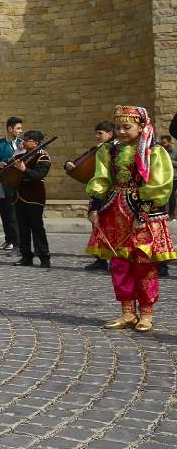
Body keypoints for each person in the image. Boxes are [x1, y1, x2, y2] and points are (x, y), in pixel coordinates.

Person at [90, 106, 174, 332]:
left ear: (141, 126)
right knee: (119, 263)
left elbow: (159, 185)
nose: (121, 132)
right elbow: (101, 178)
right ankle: (127, 312)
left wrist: (143, 214)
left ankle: (146, 313)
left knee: (144, 263)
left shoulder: (154, 152)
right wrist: (94, 208)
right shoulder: (108, 150)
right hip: (115, 211)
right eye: (118, 127)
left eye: (127, 127)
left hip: (144, 213)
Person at [65, 121, 117, 271]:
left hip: (112, 191)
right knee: (97, 224)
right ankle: (100, 259)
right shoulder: (96, 149)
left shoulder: (116, 150)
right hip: (98, 191)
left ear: (110, 134)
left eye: (100, 133)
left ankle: (117, 260)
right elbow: (80, 161)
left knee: (114, 226)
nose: (97, 136)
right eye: (96, 133)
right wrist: (69, 164)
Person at [11, 130, 52, 269]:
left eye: (26, 140)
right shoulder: (21, 156)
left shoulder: (43, 157)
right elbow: (12, 171)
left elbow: (39, 175)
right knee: (22, 227)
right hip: (20, 194)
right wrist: (6, 167)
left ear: (35, 143)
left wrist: (24, 170)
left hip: (34, 195)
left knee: (37, 227)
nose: (23, 142)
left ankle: (44, 257)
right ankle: (26, 256)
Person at [0, 117, 24, 251]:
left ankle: (17, 241)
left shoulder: (23, 143)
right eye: (18, 128)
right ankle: (9, 239)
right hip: (6, 183)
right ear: (10, 129)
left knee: (16, 215)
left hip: (20, 183)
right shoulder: (0, 145)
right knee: (6, 213)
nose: (20, 131)